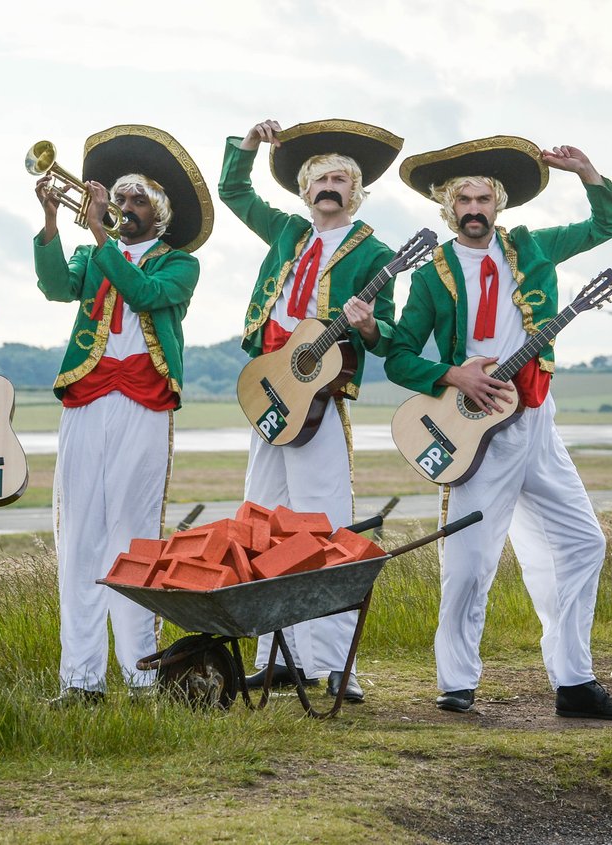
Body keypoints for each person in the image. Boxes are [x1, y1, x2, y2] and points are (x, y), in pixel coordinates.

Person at [384, 137, 612, 720]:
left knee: (583, 542)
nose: (474, 208)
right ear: (448, 209)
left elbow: (609, 224)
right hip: (471, 430)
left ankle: (574, 682)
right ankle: (456, 682)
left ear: (498, 204)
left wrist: (588, 170)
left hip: (536, 421)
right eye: (462, 200)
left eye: (483, 198)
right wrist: (454, 374)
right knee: (471, 560)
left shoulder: (535, 247)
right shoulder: (431, 278)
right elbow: (398, 355)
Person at [218, 118, 402, 703]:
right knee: (261, 522)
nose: (330, 186)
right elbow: (234, 193)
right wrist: (246, 145)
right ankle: (275, 657)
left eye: (342, 179)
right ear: (303, 190)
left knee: (325, 528)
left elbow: (388, 333)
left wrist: (372, 325)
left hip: (319, 404)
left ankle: (335, 665)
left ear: (357, 191)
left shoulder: (377, 252)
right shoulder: (289, 234)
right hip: (271, 394)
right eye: (320, 178)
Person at [33, 125, 212, 706]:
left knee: (134, 537)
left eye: (138, 201)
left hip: (144, 400)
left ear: (158, 215)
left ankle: (140, 675)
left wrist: (97, 232)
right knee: (79, 537)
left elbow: (140, 293)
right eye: (121, 198)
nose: (125, 208)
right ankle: (79, 679)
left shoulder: (180, 264)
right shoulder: (91, 253)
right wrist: (54, 225)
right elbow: (55, 286)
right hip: (87, 397)